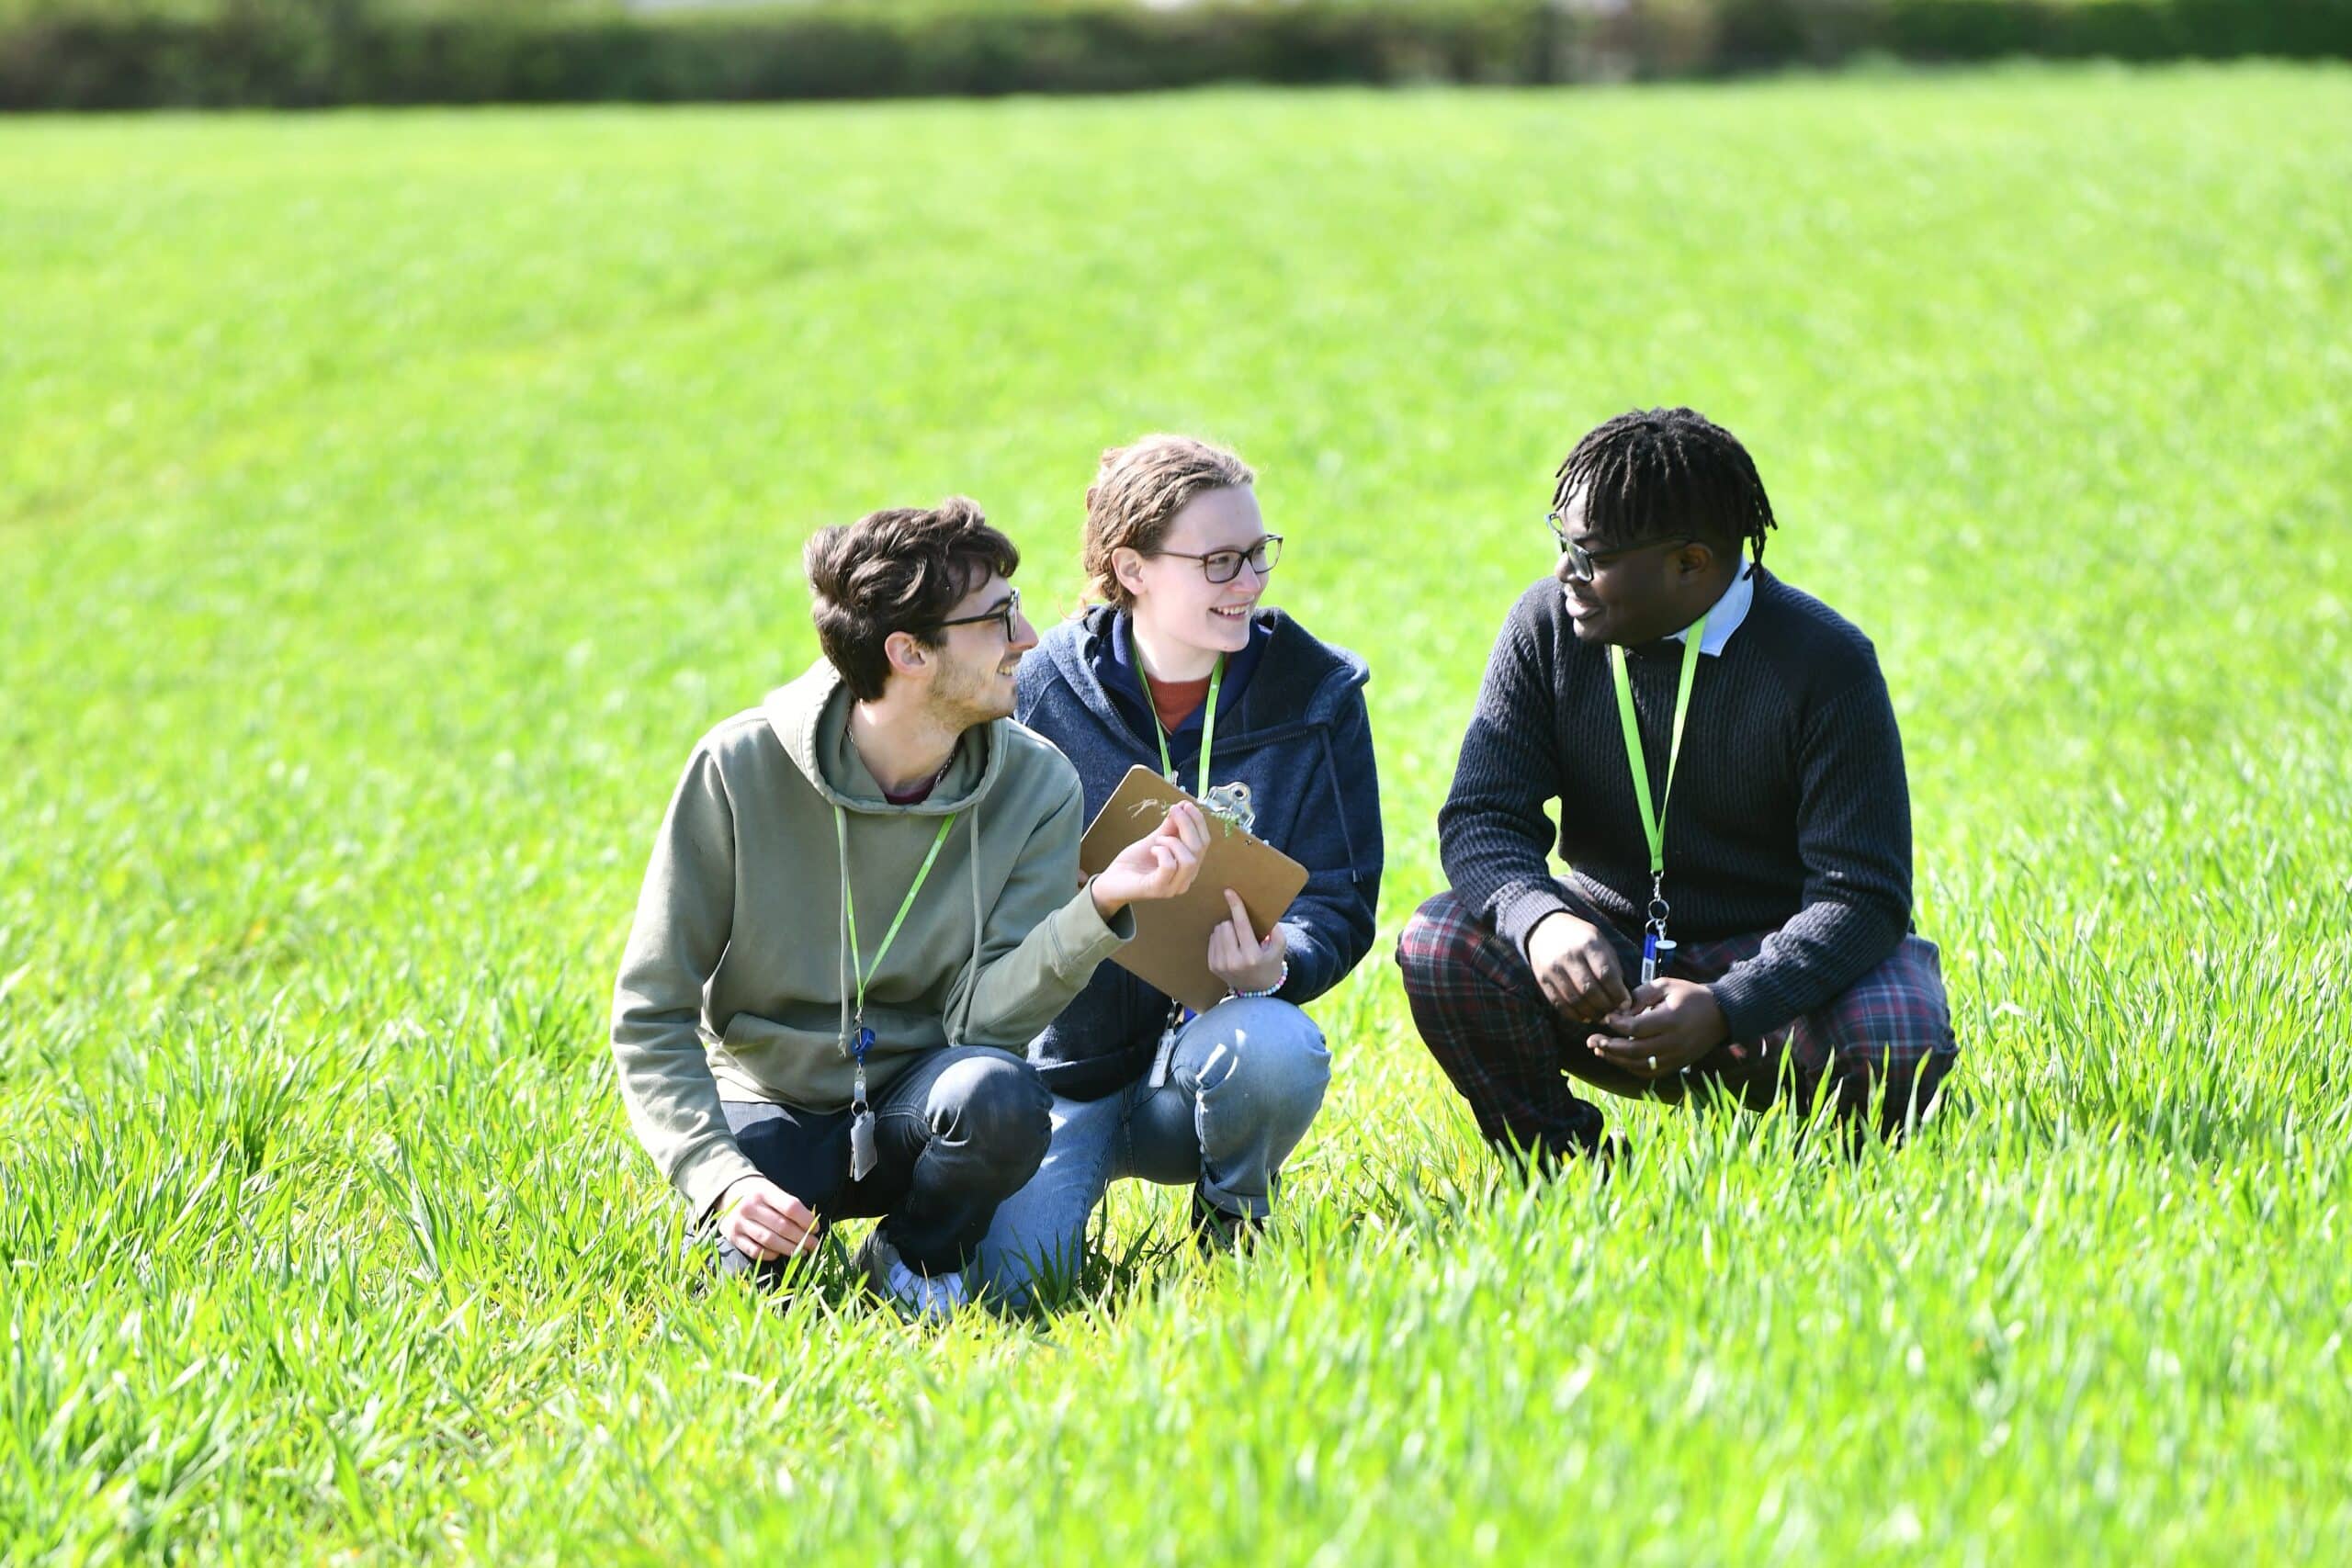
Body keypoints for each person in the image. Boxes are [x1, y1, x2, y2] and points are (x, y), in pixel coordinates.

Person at [610, 498, 1210, 1318]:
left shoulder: (1035, 785)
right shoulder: (738, 767)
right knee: (749, 1306)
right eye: (998, 618)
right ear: (908, 652)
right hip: (768, 1110)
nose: (1028, 637)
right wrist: (720, 1178)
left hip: (920, 1111)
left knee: (1000, 1097)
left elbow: (983, 1024)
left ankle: (912, 1259)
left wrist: (1098, 905)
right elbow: (650, 1012)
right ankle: (765, 1223)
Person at [1396, 408, 1957, 1168]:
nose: (1565, 573)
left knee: (1900, 1033)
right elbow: (1482, 816)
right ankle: (1564, 1169)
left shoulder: (1825, 665)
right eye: (1560, 543)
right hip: (1612, 955)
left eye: (1587, 555)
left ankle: (1850, 1185)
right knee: (1439, 942)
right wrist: (1543, 922)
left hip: (1777, 960)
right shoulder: (1546, 627)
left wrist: (1728, 1007)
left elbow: (1863, 896)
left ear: (1691, 563)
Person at [975, 434, 1383, 1298]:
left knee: (1277, 1045)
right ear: (1133, 568)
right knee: (1014, 1288)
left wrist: (1284, 963)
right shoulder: (1035, 690)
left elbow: (1341, 900)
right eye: (1221, 561)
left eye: (1258, 555)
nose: (1250, 583)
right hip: (1063, 1070)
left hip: (1219, 1048)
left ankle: (1233, 1215)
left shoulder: (1318, 696)